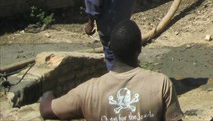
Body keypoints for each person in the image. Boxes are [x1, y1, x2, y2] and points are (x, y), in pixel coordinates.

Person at [39, 19, 183, 121]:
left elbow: (47, 110)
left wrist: (48, 94)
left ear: (110, 47)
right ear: (139, 49)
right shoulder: (160, 84)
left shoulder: (88, 91)